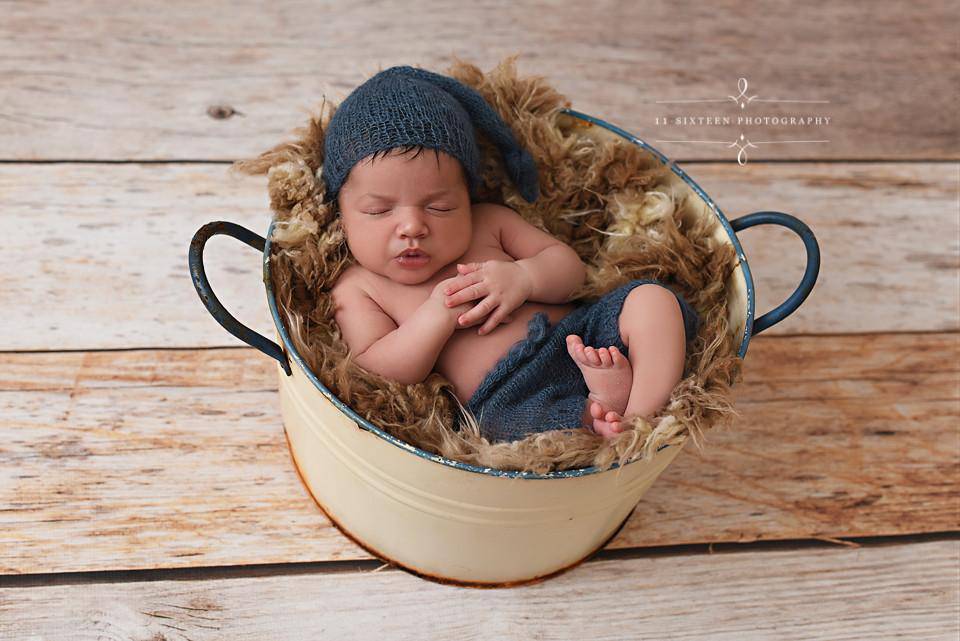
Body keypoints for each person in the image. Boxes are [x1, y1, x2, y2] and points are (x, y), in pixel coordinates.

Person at [326, 66, 699, 444]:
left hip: (579, 335)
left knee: (652, 300)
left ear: (468, 197)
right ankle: (597, 411)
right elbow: (376, 370)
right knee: (495, 429)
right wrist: (436, 317)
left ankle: (641, 422)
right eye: (378, 211)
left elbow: (570, 271)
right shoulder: (360, 287)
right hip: (507, 394)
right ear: (341, 215)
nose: (412, 226)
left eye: (440, 207)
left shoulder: (489, 222)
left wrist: (524, 277)